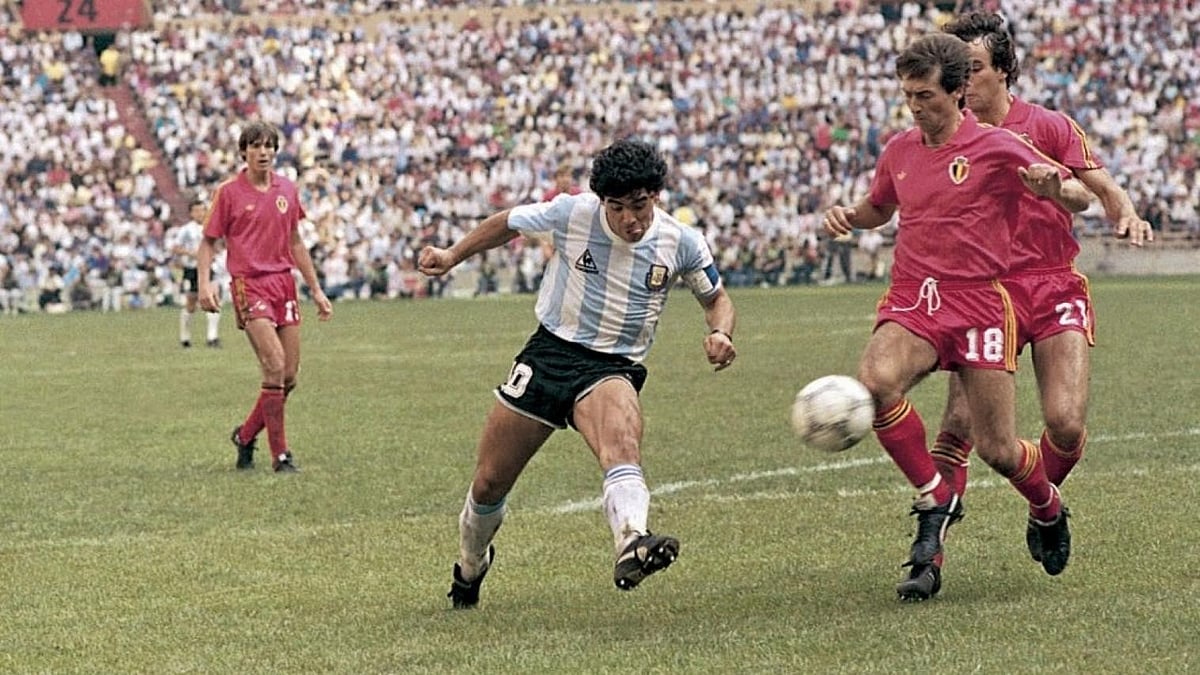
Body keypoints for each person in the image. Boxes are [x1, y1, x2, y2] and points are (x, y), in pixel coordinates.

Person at [823, 33, 1093, 601]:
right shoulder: (900, 150)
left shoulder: (996, 145)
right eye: (907, 95)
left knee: (998, 449)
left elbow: (1077, 195)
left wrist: (1054, 189)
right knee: (874, 382)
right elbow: (879, 206)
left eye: (924, 95)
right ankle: (936, 497)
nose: (914, 106)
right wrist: (850, 215)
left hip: (980, 304)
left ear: (956, 92)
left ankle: (1047, 506)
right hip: (915, 297)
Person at [418, 138, 737, 609]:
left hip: (611, 366)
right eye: (617, 207)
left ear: (656, 195)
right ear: (601, 201)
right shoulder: (572, 213)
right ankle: (470, 566)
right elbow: (507, 222)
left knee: (621, 444)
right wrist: (451, 255)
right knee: (488, 484)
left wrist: (721, 333)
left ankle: (632, 539)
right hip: (549, 353)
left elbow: (716, 299)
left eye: (639, 205)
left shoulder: (681, 242)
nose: (630, 219)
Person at [933, 11, 1155, 566]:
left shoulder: (1049, 126)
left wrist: (1127, 214)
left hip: (1053, 284)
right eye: (958, 70)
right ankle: (928, 551)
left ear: (1004, 70)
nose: (964, 80)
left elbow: (1101, 187)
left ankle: (1041, 506)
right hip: (985, 291)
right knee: (959, 422)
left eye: (974, 67)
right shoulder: (947, 136)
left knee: (1065, 423)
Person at [196, 121, 333, 473]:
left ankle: (245, 436)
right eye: (256, 146)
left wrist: (316, 290)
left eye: (269, 146)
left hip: (283, 284)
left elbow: (295, 241)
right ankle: (280, 455)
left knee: (288, 376)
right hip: (249, 284)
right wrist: (204, 284)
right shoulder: (229, 192)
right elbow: (208, 241)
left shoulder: (287, 188)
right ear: (244, 152)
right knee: (273, 364)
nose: (264, 152)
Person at [166, 199, 222, 348]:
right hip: (192, 269)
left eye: (202, 210)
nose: (200, 213)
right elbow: (175, 248)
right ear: (191, 213)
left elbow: (217, 244)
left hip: (209, 268)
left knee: (213, 300)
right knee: (191, 303)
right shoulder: (186, 229)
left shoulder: (211, 227)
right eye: (196, 211)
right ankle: (185, 337)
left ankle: (212, 337)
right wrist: (191, 253)